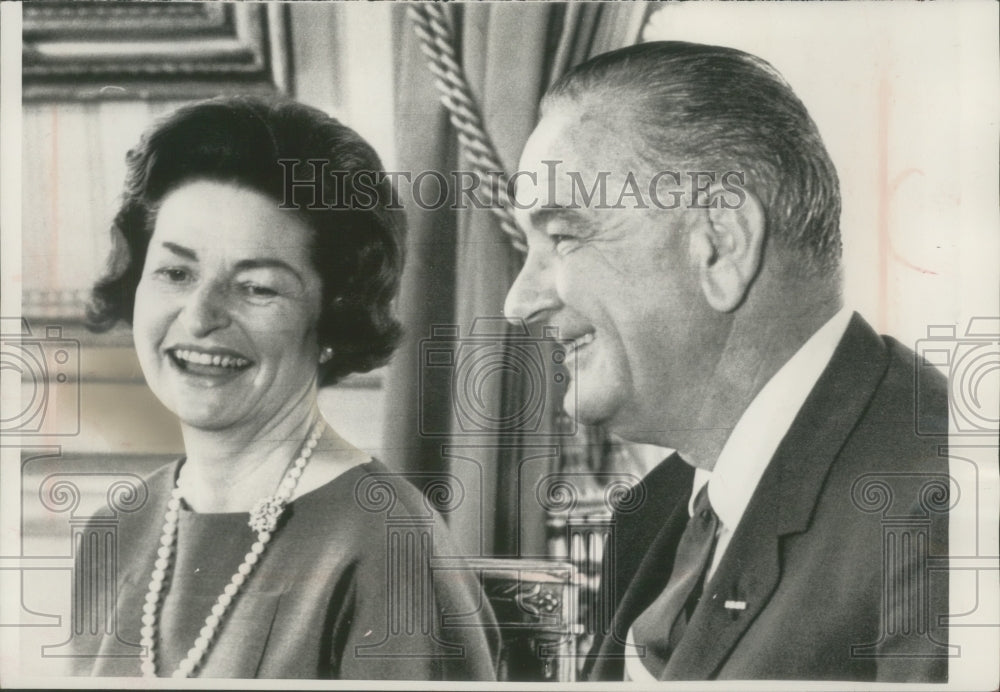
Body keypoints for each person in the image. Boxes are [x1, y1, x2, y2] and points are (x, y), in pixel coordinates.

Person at [503, 42, 949, 682]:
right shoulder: (655, 511)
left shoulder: (945, 508)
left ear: (721, 246)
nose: (519, 302)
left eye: (563, 237)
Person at [84, 96, 498, 680]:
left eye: (257, 288)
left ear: (333, 317)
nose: (200, 316)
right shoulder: (116, 528)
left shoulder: (390, 543)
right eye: (176, 273)